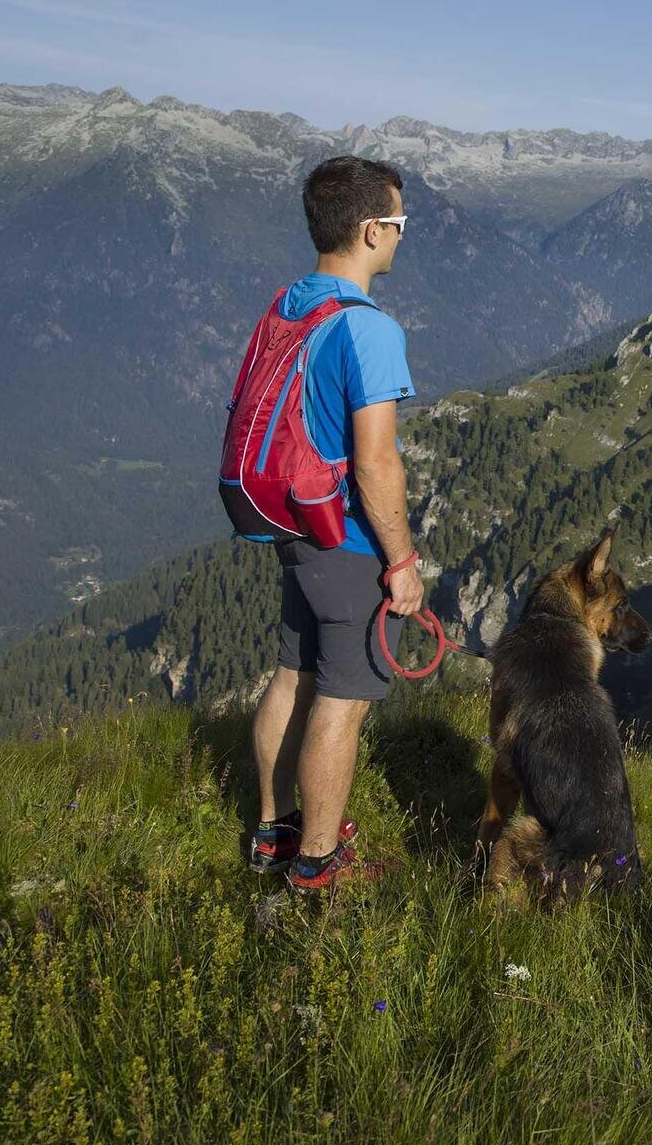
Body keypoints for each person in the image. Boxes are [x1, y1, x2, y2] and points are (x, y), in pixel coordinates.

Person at [243, 156, 426, 891]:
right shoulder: (368, 329)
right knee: (341, 703)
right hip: (347, 544)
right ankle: (317, 864)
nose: (403, 238)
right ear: (372, 229)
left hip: (290, 525)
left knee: (293, 676)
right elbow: (377, 464)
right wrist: (403, 561)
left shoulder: (290, 304)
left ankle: (272, 831)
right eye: (401, 224)